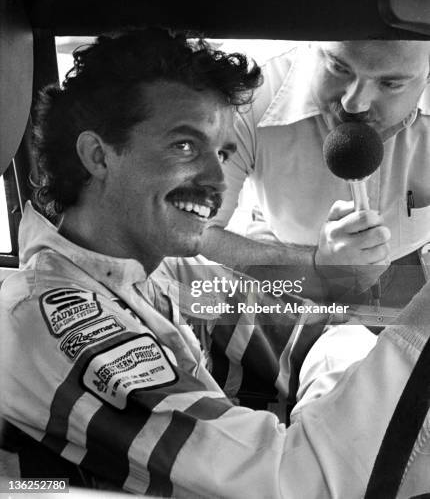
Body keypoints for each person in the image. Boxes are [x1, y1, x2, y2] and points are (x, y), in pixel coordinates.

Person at [1, 29, 430, 498]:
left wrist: (329, 399)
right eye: (185, 146)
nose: (215, 180)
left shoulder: (161, 274)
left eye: (222, 153)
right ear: (97, 155)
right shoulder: (61, 324)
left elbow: (318, 336)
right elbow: (301, 483)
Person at [201, 41, 430, 304]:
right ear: (310, 44)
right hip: (289, 270)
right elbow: (196, 234)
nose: (354, 104)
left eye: (391, 84)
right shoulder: (248, 99)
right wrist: (316, 265)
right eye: (338, 67)